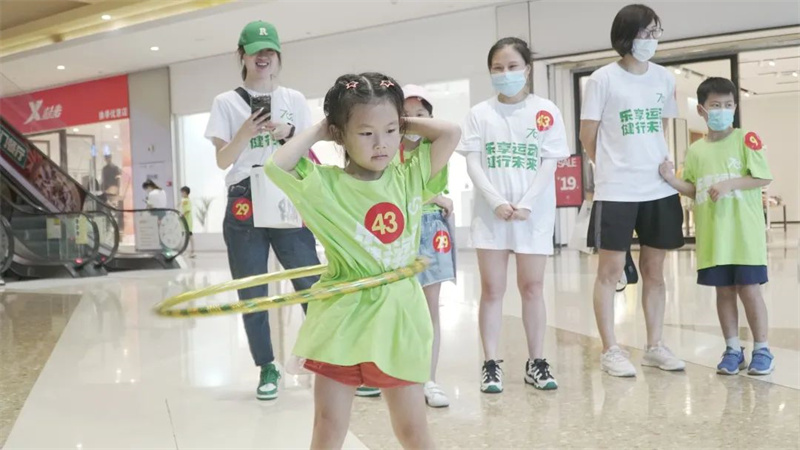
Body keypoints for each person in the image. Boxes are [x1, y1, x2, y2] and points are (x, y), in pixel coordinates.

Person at [265, 72, 459, 449]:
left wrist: (401, 121)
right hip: (343, 316)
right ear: (340, 134)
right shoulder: (323, 185)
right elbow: (276, 166)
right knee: (328, 424)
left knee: (412, 429)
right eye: (366, 133)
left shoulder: (410, 176)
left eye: (390, 131)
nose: (381, 143)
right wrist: (321, 129)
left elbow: (450, 132)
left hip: (399, 315)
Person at [204, 20, 321, 401]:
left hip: (287, 191)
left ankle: (329, 357)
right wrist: (244, 133)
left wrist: (288, 134)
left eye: (270, 50)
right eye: (256, 51)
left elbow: (307, 150)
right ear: (242, 55)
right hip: (245, 196)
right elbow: (223, 160)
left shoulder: (294, 99)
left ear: (278, 55)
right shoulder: (226, 102)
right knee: (252, 287)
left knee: (309, 281)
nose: (263, 57)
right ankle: (267, 365)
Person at [579, 4, 685, 377]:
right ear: (626, 36)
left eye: (656, 32)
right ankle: (610, 349)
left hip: (658, 187)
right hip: (617, 191)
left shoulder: (663, 78)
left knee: (655, 270)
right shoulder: (602, 79)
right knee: (609, 272)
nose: (651, 40)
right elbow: (588, 135)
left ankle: (654, 345)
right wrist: (610, 168)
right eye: (645, 32)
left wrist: (659, 164)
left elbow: (661, 126)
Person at [459, 37, 569, 393]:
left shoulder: (546, 110)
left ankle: (536, 362)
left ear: (527, 69)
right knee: (492, 289)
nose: (505, 73)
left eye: (512, 66)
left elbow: (550, 161)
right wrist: (495, 201)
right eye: (498, 68)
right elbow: (473, 162)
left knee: (532, 288)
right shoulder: (480, 114)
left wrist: (527, 203)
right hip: (491, 215)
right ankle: (490, 363)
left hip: (532, 215)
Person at [659, 77, 774, 375]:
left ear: (735, 107)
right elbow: (693, 188)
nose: (723, 110)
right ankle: (733, 349)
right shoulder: (696, 151)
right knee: (723, 292)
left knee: (749, 290)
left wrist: (730, 184)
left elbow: (762, 177)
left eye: (728, 105)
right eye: (716, 105)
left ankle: (762, 349)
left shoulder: (746, 139)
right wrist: (671, 180)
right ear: (701, 110)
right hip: (713, 237)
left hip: (744, 236)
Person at [394, 84, 456, 407]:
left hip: (430, 229)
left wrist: (434, 199)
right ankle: (398, 375)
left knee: (430, 307)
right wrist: (435, 198)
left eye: (421, 114)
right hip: (397, 230)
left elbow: (422, 187)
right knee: (396, 307)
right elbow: (396, 190)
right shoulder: (388, 149)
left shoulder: (435, 146)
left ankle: (429, 379)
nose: (414, 121)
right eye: (407, 115)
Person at [180, 186, 196, 258]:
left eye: (182, 192)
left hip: (187, 220)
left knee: (189, 235)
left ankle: (192, 251)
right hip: (185, 220)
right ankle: (189, 251)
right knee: (187, 236)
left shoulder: (186, 200)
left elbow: (187, 210)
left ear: (185, 192)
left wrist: (182, 215)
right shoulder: (185, 200)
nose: (181, 194)